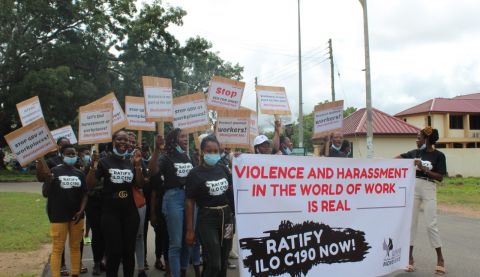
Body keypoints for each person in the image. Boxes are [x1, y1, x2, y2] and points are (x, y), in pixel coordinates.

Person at [87, 130, 144, 277]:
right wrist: (93, 166)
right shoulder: (104, 161)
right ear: (113, 141)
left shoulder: (130, 162)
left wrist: (137, 166)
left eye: (126, 140)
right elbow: (90, 185)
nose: (123, 142)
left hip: (130, 212)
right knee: (114, 251)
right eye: (119, 139)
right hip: (110, 212)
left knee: (128, 252)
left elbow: (139, 184)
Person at [148, 129, 200, 277]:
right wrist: (157, 150)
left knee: (188, 241)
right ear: (173, 139)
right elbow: (152, 172)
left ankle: (183, 271)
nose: (186, 139)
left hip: (190, 199)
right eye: (182, 136)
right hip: (173, 199)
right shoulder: (166, 157)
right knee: (176, 243)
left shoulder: (188, 157)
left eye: (187, 136)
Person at [397, 127, 446, 275]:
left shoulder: (439, 155)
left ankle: (440, 259)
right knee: (411, 223)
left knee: (431, 224)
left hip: (429, 187)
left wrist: (423, 168)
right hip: (414, 187)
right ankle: (409, 258)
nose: (417, 139)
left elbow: (440, 177)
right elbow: (397, 158)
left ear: (427, 140)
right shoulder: (415, 153)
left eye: (419, 137)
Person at [185, 135, 234, 277]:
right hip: (207, 220)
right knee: (214, 262)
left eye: (215, 151)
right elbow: (189, 202)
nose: (213, 154)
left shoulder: (223, 170)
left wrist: (239, 161)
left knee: (224, 259)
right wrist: (190, 230)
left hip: (227, 220)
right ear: (202, 151)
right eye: (209, 151)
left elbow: (233, 187)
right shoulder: (194, 174)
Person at [38, 144, 88, 277]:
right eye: (68, 154)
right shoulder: (53, 171)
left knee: (75, 247)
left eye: (74, 154)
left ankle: (75, 273)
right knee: (57, 249)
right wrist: (49, 179)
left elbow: (85, 194)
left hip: (77, 216)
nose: (71, 156)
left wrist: (81, 210)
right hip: (58, 216)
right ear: (62, 155)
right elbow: (45, 193)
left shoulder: (80, 173)